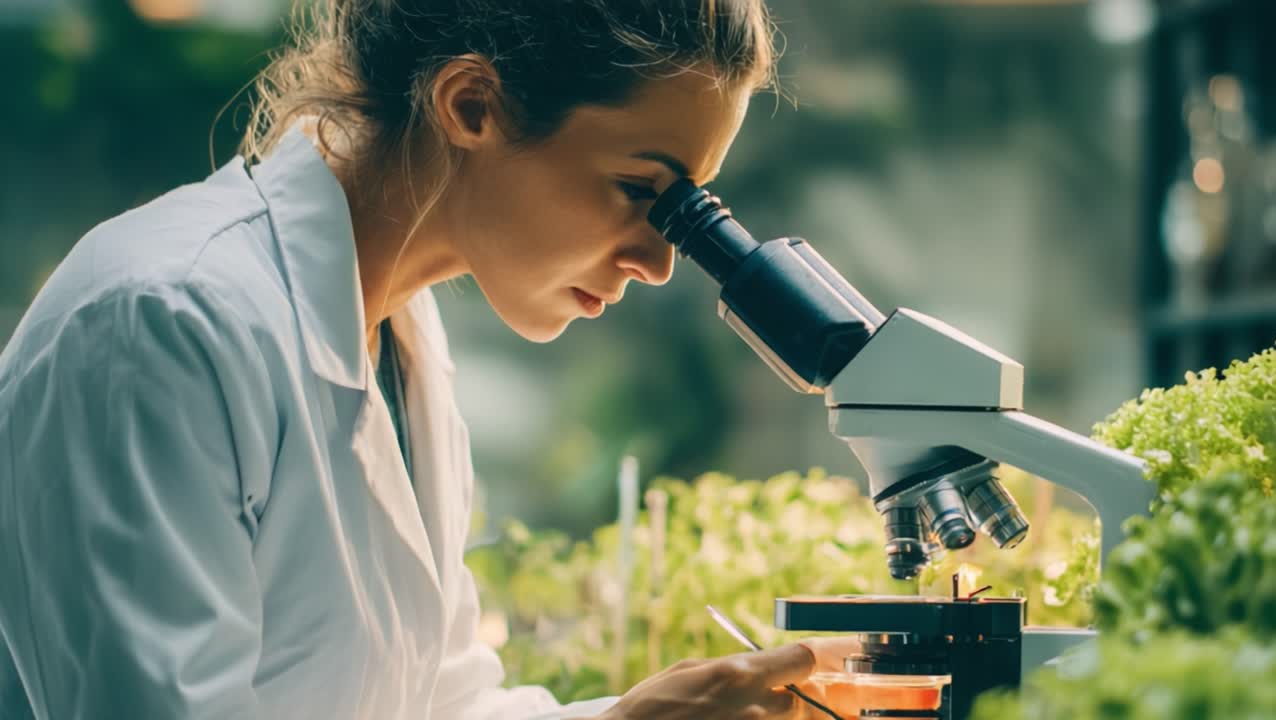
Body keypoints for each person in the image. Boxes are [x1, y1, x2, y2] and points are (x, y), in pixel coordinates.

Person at [0, 1, 863, 718]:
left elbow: (433, 703)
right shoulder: (162, 322)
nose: (660, 261)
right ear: (471, 105)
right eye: (642, 192)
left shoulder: (400, 340)